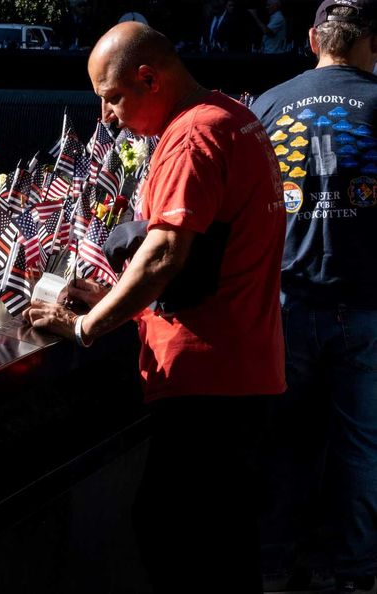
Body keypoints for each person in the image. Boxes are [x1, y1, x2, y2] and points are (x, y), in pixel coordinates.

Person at [24, 22, 286, 593]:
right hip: (248, 368)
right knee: (226, 541)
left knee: (173, 535)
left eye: (112, 98)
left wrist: (86, 324)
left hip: (207, 379)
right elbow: (209, 259)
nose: (106, 118)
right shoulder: (234, 119)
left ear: (149, 78)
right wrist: (120, 300)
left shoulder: (191, 136)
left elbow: (165, 252)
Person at [249, 1, 377, 591]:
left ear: (311, 39)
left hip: (287, 303)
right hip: (366, 303)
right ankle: (356, 574)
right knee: (359, 451)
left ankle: (273, 567)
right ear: (370, 44)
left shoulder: (269, 104)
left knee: (283, 444)